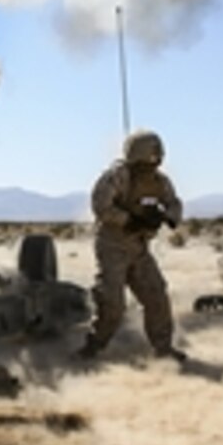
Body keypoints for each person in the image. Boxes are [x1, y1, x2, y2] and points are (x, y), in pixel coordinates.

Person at [78, 130, 185, 361]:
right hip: (112, 246)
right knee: (113, 303)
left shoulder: (160, 182)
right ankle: (95, 345)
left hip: (139, 247)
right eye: (152, 154)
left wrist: (169, 217)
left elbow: (173, 202)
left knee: (156, 296)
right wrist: (129, 220)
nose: (155, 160)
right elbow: (101, 206)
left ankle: (163, 348)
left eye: (158, 155)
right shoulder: (118, 176)